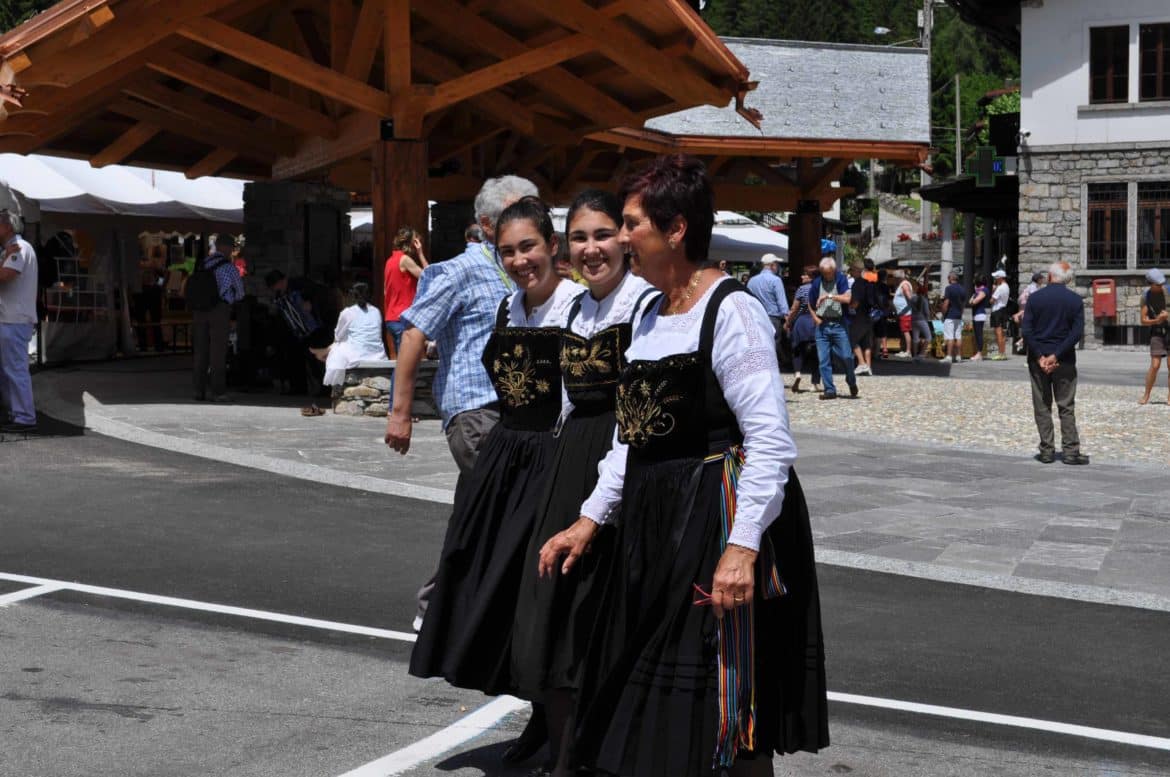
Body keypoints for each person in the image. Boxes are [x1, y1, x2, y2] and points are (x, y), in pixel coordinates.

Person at [540, 155, 828, 777]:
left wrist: (741, 547)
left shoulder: (733, 310)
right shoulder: (648, 313)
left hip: (714, 519)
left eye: (632, 224)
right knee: (652, 700)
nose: (620, 238)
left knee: (724, 707)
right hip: (653, 524)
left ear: (676, 231)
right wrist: (590, 518)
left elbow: (770, 441)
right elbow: (631, 435)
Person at [407, 197, 584, 745]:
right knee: (500, 585)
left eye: (528, 246)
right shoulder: (510, 308)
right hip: (511, 460)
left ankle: (564, 723)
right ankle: (537, 707)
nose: (519, 259)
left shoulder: (580, 306)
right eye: (507, 250)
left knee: (550, 596)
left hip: (560, 459)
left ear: (552, 246)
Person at [384, 175, 545, 763]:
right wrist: (402, 412)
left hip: (524, 418)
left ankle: (446, 601)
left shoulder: (527, 270)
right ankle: (448, 607)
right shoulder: (455, 271)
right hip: (477, 415)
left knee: (492, 521)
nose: (529, 219)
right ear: (486, 222)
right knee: (515, 523)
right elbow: (412, 338)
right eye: (517, 212)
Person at [509, 190, 655, 777]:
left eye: (600, 234)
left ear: (623, 238)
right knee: (558, 609)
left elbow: (635, 414)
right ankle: (566, 750)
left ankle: (600, 754)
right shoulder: (572, 310)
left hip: (623, 462)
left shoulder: (642, 304)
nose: (590, 248)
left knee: (603, 611)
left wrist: (603, 500)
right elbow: (565, 404)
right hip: (570, 460)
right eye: (579, 237)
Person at [1021, 261, 1088, 465]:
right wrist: (1056, 355)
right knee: (1066, 405)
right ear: (1067, 279)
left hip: (1037, 360)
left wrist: (1042, 356)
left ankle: (1047, 450)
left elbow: (1027, 330)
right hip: (1064, 359)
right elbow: (1076, 333)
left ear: (1050, 276)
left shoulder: (1035, 299)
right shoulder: (1075, 301)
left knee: (1042, 405)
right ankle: (1070, 451)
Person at [192, 234, 244, 403]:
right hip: (219, 310)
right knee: (218, 352)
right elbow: (240, 293)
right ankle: (218, 392)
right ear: (229, 248)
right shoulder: (229, 267)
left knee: (200, 351)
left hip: (199, 310)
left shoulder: (203, 263)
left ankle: (198, 391)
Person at [0, 210, 38, 433]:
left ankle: (24, 416)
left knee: (14, 369)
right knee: (9, 369)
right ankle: (16, 413)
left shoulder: (19, 249)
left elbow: (5, 276)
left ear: (7, 227)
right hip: (10, 318)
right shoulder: (9, 250)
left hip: (14, 319)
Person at [311, 282, 387, 388]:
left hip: (358, 355)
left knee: (339, 344)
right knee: (346, 340)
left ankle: (324, 352)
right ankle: (324, 352)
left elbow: (338, 337)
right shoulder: (376, 311)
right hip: (377, 353)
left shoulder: (347, 313)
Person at [810, 257, 858, 399]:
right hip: (822, 324)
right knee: (823, 360)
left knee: (847, 356)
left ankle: (851, 381)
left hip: (839, 324)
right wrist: (815, 318)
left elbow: (848, 299)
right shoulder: (817, 282)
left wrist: (829, 296)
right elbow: (810, 302)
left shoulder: (841, 279)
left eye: (829, 273)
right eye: (824, 273)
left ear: (834, 270)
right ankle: (830, 390)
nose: (827, 276)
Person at [383, 227, 428, 359]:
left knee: (404, 364)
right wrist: (420, 253)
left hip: (392, 318)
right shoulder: (405, 260)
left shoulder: (390, 261)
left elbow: (386, 291)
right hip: (402, 317)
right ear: (411, 243)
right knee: (405, 366)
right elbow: (429, 276)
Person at [746, 254, 789, 368]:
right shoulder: (776, 280)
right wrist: (787, 317)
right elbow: (782, 301)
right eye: (777, 264)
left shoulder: (751, 281)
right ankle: (775, 365)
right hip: (773, 316)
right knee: (774, 342)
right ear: (773, 265)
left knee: (759, 342)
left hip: (756, 316)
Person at [1139, 268, 1169, 405]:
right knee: (1155, 365)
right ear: (1150, 283)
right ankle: (1146, 394)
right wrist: (1157, 320)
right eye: (1158, 284)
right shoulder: (1146, 296)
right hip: (1157, 331)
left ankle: (1169, 397)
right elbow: (1143, 320)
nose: (1161, 286)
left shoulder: (1168, 291)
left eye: (1162, 283)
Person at [847, 261, 877, 375]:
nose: (851, 273)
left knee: (851, 339)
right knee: (866, 342)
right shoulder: (869, 283)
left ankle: (861, 363)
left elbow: (855, 304)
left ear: (856, 271)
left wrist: (848, 304)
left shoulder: (856, 284)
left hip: (859, 315)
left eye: (852, 271)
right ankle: (868, 367)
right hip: (870, 315)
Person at [1013, 271, 1046, 353]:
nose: (1043, 281)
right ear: (1038, 280)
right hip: (1029, 309)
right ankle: (1022, 343)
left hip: (1025, 308)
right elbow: (1035, 300)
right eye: (1042, 279)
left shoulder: (1031, 286)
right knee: (1032, 330)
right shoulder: (1034, 288)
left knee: (1031, 330)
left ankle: (1020, 342)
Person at [941, 271, 966, 363]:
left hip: (950, 315)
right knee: (958, 336)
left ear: (951, 278)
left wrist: (943, 314)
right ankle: (959, 356)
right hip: (958, 315)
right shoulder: (962, 289)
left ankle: (949, 357)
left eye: (948, 278)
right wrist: (960, 313)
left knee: (950, 336)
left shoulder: (949, 288)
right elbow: (963, 305)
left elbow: (946, 303)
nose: (947, 280)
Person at [890, 270, 914, 359]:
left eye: (894, 278)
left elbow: (910, 298)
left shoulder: (904, 285)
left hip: (906, 313)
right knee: (903, 332)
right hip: (902, 313)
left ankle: (908, 351)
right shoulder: (902, 284)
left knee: (906, 332)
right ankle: (904, 350)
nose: (894, 280)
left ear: (897, 278)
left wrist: (904, 310)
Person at [989, 269, 1011, 360]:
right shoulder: (1006, 286)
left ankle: (1000, 353)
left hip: (997, 310)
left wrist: (993, 290)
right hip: (1003, 309)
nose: (995, 279)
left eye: (996, 277)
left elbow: (991, 300)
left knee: (998, 332)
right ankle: (1003, 353)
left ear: (1001, 278)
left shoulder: (1000, 288)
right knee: (1002, 333)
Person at [910, 281, 933, 360]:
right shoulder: (924, 300)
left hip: (913, 319)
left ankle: (915, 355)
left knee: (915, 338)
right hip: (922, 319)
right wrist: (928, 318)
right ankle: (921, 354)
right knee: (928, 337)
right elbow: (926, 312)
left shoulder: (912, 298)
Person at [969, 274, 989, 360]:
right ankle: (977, 352)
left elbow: (974, 302)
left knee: (979, 334)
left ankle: (979, 353)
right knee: (976, 334)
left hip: (980, 314)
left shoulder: (984, 290)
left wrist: (973, 299)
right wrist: (973, 297)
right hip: (975, 314)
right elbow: (970, 301)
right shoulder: (977, 291)